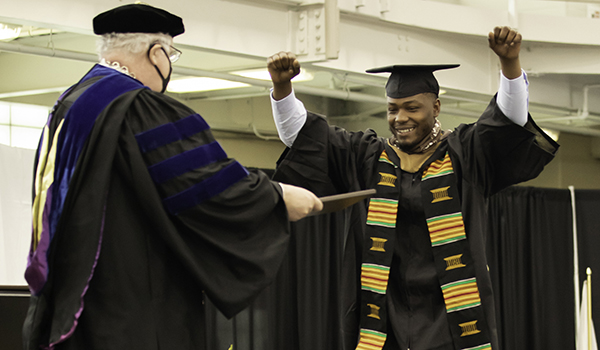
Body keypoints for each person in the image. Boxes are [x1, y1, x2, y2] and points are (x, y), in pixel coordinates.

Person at [22, 4, 322, 350]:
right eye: (170, 55)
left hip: (78, 304)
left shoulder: (70, 105)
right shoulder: (137, 105)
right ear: (156, 52)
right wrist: (277, 197)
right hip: (132, 306)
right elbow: (204, 186)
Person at [267, 26, 558, 350]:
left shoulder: (465, 153)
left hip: (451, 319)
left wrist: (510, 64)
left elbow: (507, 122)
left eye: (411, 107)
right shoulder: (368, 156)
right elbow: (303, 136)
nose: (400, 117)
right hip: (382, 317)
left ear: (435, 107)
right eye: (393, 108)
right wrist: (283, 88)